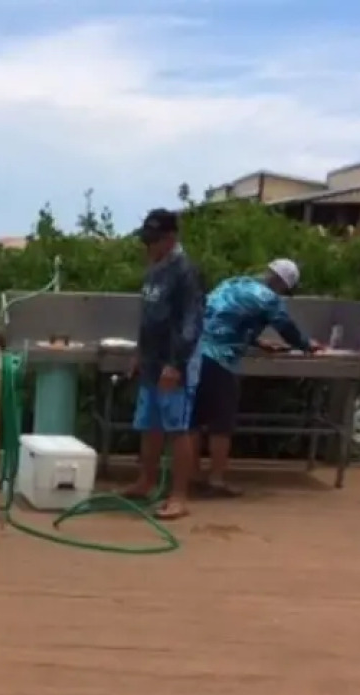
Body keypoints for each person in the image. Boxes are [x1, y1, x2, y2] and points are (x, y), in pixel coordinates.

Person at [190, 258, 323, 498]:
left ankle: (191, 476)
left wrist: (256, 341)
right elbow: (286, 327)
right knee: (221, 423)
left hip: (195, 354)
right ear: (283, 284)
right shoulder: (269, 299)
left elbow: (220, 316)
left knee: (194, 420)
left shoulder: (232, 283)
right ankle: (216, 480)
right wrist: (307, 345)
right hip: (221, 359)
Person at [127, 208, 203, 521]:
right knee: (150, 423)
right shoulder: (154, 269)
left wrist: (176, 363)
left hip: (175, 362)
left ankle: (179, 496)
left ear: (171, 239)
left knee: (177, 427)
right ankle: (146, 481)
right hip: (150, 359)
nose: (149, 246)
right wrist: (139, 352)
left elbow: (191, 321)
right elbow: (148, 317)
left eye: (155, 241)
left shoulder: (186, 271)